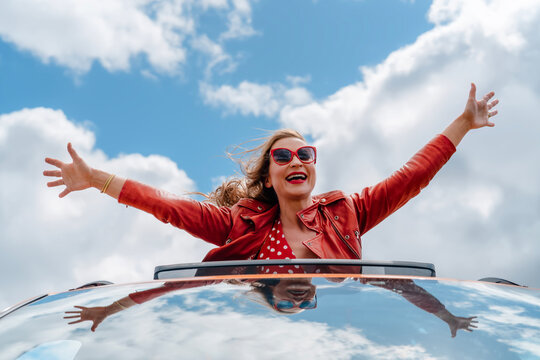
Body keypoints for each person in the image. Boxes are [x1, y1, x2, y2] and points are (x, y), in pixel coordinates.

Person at [44, 83, 499, 264]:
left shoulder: (347, 213)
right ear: (268, 177)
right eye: (282, 157)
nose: (296, 160)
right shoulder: (235, 225)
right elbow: (167, 207)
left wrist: (463, 123)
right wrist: (97, 179)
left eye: (305, 153)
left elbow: (410, 177)